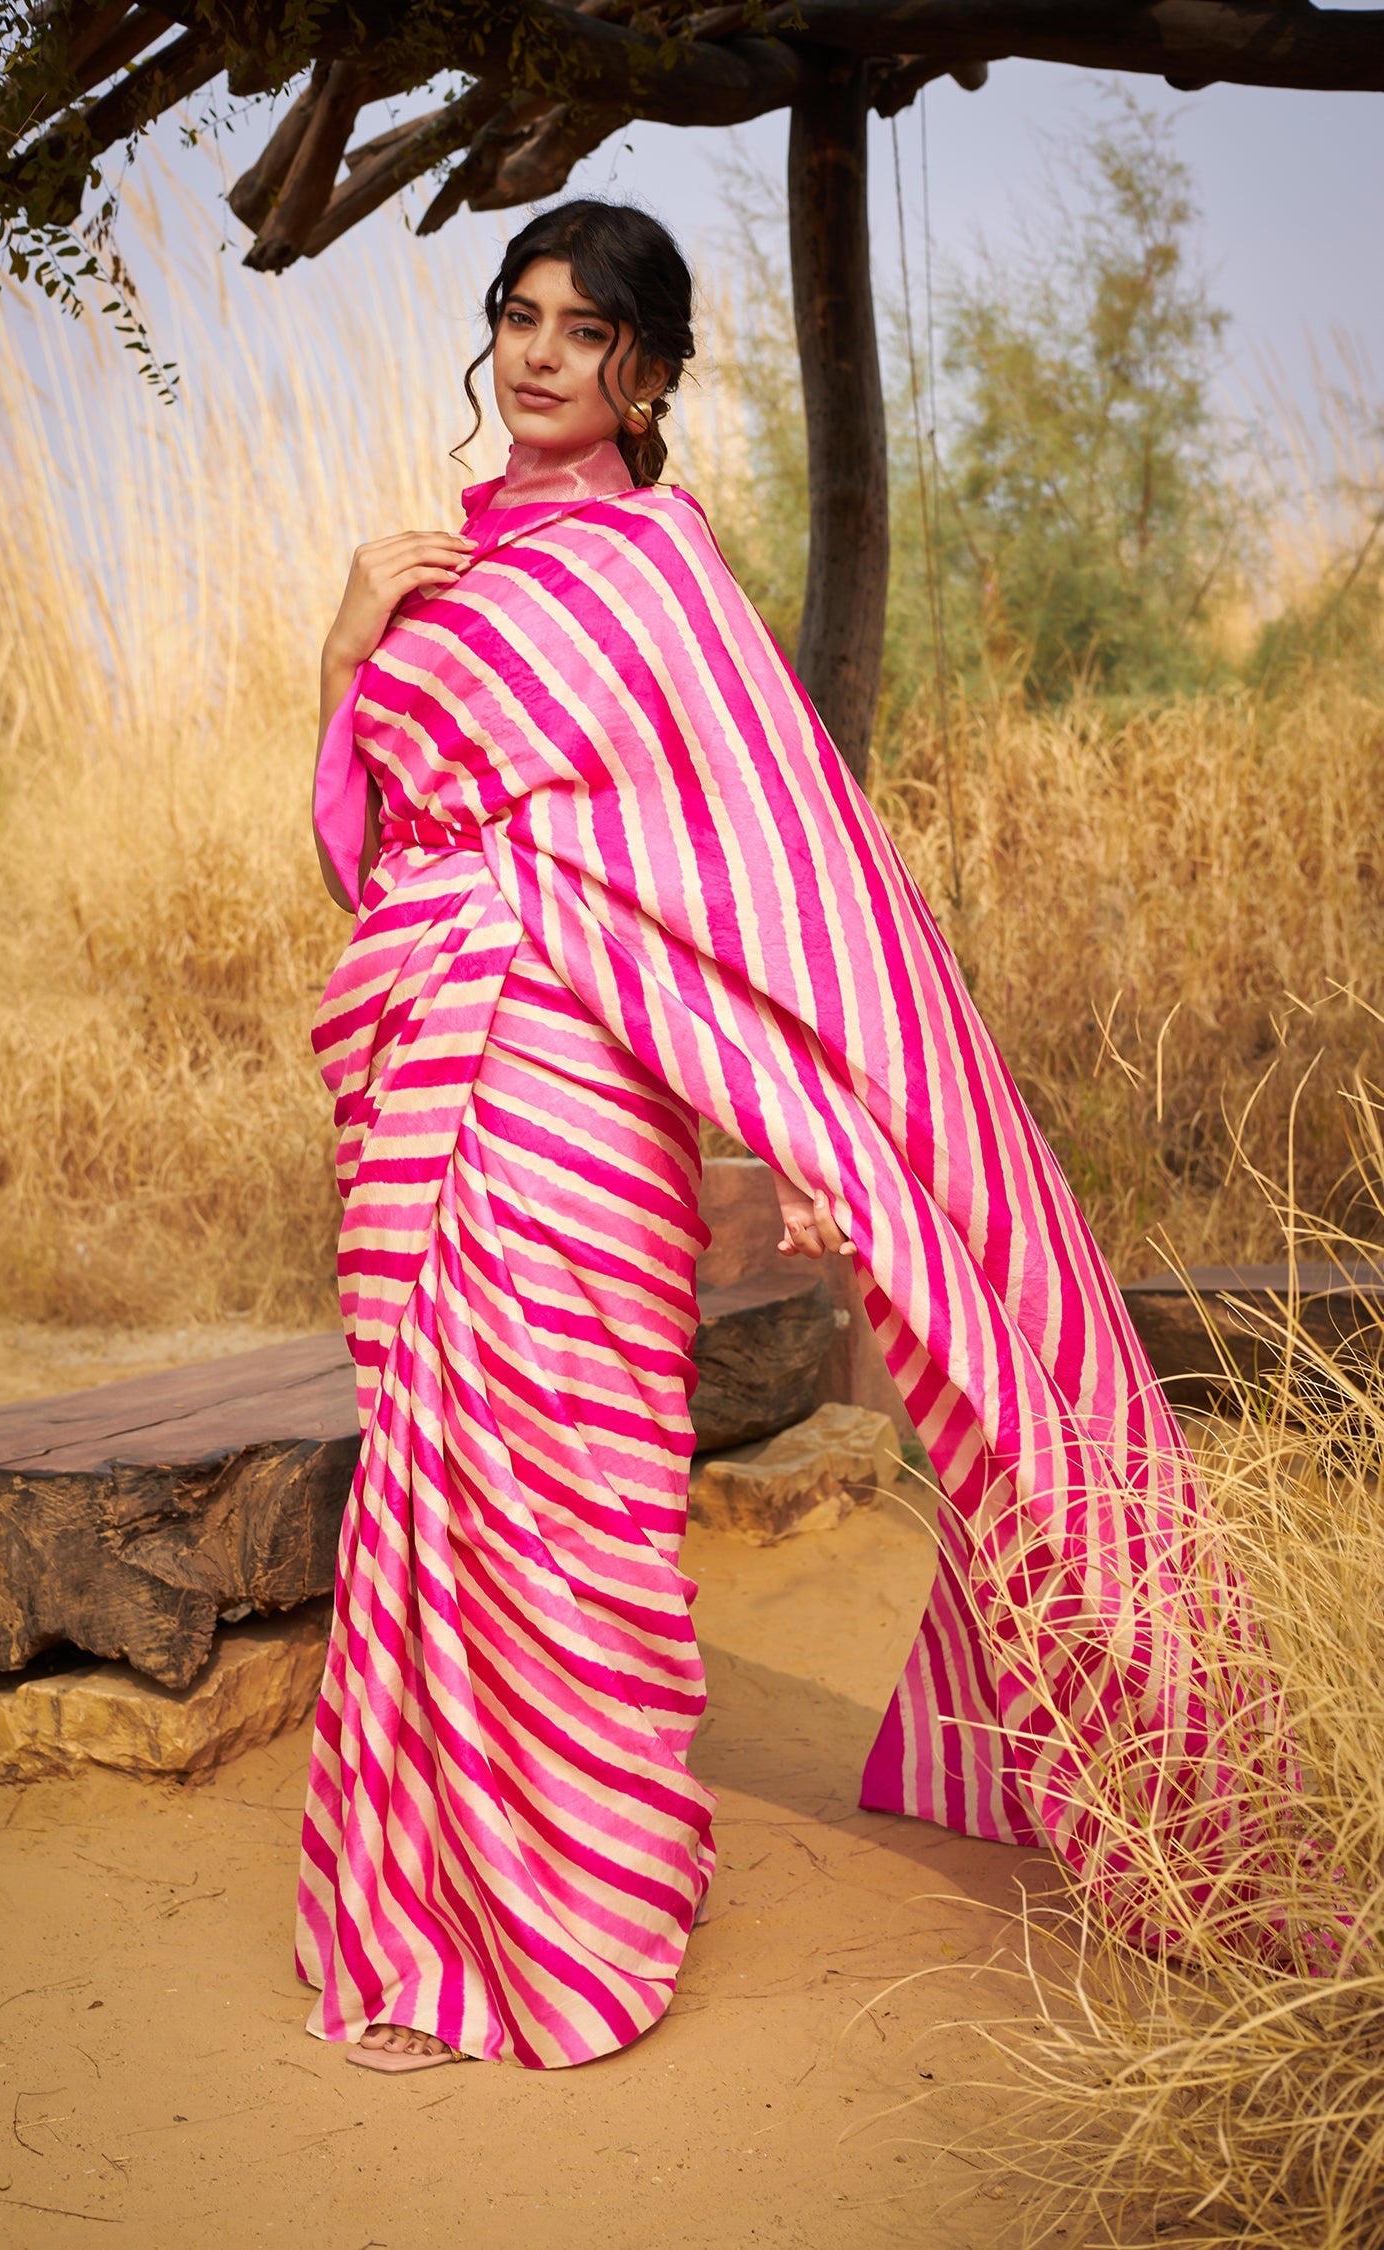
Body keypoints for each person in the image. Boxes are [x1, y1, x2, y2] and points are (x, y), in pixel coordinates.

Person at [297, 199, 1227, 2077]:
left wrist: (805, 1124)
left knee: (566, 1504)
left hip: (576, 1094)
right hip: (430, 1072)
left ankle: (577, 1919)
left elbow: (769, 888)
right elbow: (371, 854)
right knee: (440, 1494)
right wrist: (343, 643)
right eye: (520, 318)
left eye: (587, 329)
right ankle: (426, 1921)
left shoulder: (655, 582)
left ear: (647, 373)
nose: (542, 354)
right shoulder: (436, 576)